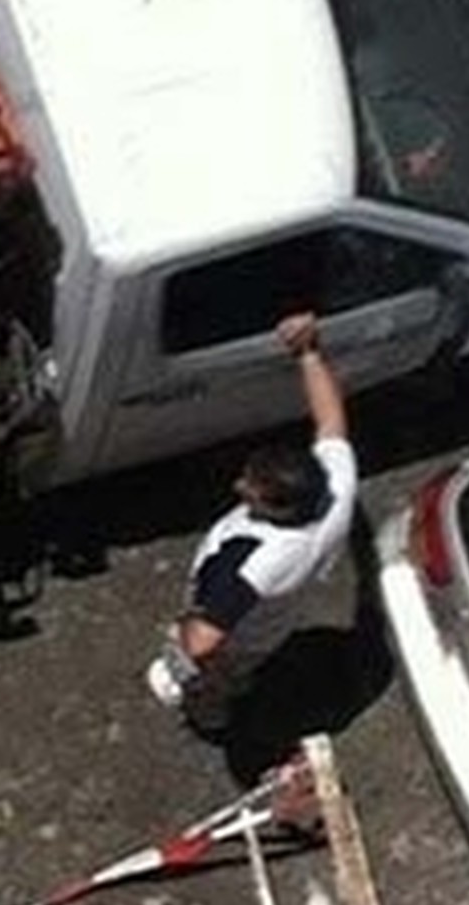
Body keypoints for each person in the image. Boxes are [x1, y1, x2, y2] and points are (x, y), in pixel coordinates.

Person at [146, 311, 357, 736]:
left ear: (278, 507)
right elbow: (331, 422)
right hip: (272, 625)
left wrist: (182, 632)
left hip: (236, 639)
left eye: (251, 489)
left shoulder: (250, 563)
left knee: (216, 673)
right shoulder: (336, 491)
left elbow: (202, 642)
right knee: (246, 659)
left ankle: (209, 708)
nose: (239, 486)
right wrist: (308, 353)